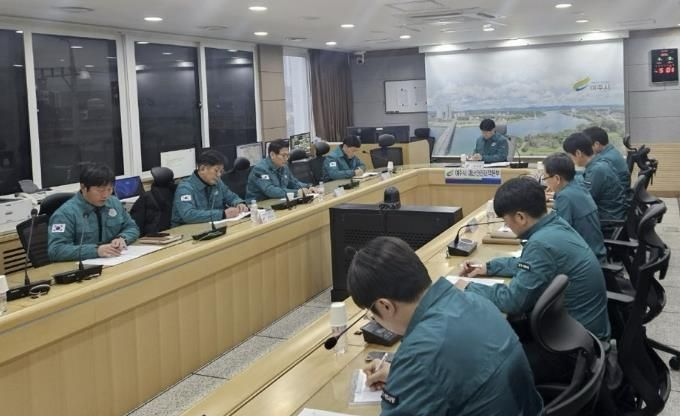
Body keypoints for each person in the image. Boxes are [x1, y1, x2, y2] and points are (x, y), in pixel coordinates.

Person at [349, 236, 543, 416]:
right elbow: (452, 367)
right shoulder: (473, 300)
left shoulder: (419, 355)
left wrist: (408, 374)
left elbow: (430, 363)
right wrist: (402, 376)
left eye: (371, 314)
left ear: (385, 305)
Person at [456, 177, 610, 383]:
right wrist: (488, 267)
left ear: (520, 217)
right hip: (580, 335)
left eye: (505, 220)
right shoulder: (554, 223)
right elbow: (529, 264)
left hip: (574, 352)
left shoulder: (540, 244)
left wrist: (468, 286)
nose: (506, 225)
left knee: (487, 369)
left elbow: (513, 301)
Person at [48, 163, 140, 261]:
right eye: (100, 190)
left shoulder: (114, 203)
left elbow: (132, 227)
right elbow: (56, 250)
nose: (105, 195)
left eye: (109, 189)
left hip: (114, 260)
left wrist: (122, 238)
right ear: (83, 188)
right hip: (80, 265)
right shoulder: (65, 214)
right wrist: (96, 251)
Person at [543, 152, 607, 262]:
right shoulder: (578, 185)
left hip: (584, 260)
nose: (546, 182)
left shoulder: (565, 197)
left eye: (546, 178)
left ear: (557, 179)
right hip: (593, 252)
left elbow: (559, 234)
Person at [562, 132, 628, 223]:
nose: (571, 160)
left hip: (607, 220)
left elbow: (584, 201)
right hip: (614, 213)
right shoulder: (600, 162)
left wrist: (559, 193)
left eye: (570, 156)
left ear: (578, 153)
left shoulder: (597, 170)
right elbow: (585, 178)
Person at [171, 150, 248, 227]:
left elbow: (231, 197)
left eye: (221, 171)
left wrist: (239, 203)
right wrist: (223, 214)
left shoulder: (218, 183)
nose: (219, 175)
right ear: (202, 169)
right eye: (216, 170)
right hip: (186, 229)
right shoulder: (185, 188)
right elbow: (188, 215)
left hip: (212, 226)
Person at [246, 139, 316, 201]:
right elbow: (270, 190)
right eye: (283, 155)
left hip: (277, 200)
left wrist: (308, 187)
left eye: (288, 155)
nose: (286, 159)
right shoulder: (260, 169)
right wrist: (296, 192)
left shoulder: (284, 166)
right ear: (272, 155)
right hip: (259, 205)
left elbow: (294, 182)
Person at [583, 126, 630, 191]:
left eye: (587, 145)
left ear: (596, 144)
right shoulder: (611, 151)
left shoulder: (604, 160)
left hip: (618, 193)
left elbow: (590, 190)